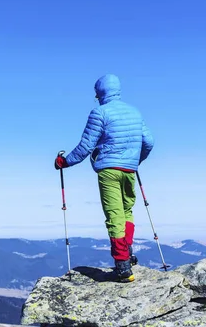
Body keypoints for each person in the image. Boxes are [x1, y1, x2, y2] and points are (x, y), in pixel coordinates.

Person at [54, 74, 154, 283]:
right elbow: (149, 142)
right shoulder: (134, 112)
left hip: (108, 170)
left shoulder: (100, 112)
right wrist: (136, 160)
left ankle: (122, 266)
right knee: (127, 211)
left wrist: (64, 162)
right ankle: (127, 254)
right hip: (129, 170)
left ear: (99, 92)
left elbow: (85, 147)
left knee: (114, 215)